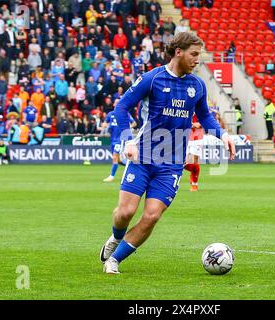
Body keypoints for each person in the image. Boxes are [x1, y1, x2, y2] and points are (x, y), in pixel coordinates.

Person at [99, 32, 235, 274]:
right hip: (143, 156)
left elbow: (204, 115)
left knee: (151, 216)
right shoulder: (152, 79)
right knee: (126, 212)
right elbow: (121, 107)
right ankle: (115, 237)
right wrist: (127, 141)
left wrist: (223, 135)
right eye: (194, 54)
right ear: (178, 52)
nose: (197, 60)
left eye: (199, 55)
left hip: (171, 164)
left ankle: (115, 260)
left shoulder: (197, 85)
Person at [102, 108, 137, 182]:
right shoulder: (110, 114)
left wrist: (127, 128)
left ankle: (111, 176)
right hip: (112, 139)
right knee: (118, 160)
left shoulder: (125, 113)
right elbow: (104, 124)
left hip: (120, 139)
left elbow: (134, 123)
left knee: (115, 157)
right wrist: (105, 127)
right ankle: (134, 167)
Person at [184, 114, 204, 192]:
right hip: (185, 137)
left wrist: (200, 123)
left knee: (195, 163)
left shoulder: (200, 106)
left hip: (197, 139)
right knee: (185, 162)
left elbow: (207, 119)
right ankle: (193, 177)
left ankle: (194, 183)